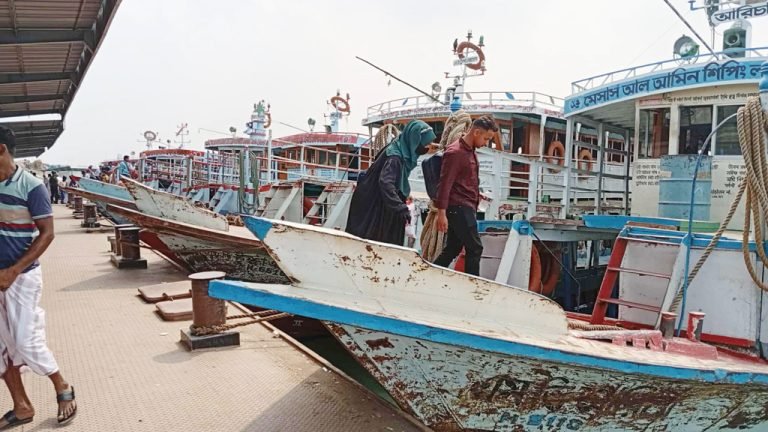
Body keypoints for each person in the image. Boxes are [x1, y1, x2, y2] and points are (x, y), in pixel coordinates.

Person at [0, 126, 77, 428]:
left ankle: (63, 386)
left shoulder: (32, 187)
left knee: (25, 340)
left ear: (1, 149)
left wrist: (13, 271)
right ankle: (22, 407)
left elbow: (47, 234)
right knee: (0, 347)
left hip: (22, 277)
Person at [346, 120, 436, 245]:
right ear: (415, 140)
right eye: (425, 143)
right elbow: (385, 182)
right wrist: (400, 207)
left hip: (377, 202)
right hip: (373, 206)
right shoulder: (395, 157)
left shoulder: (398, 147)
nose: (426, 147)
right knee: (375, 243)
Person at [433, 115, 498, 276]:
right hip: (459, 208)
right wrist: (441, 213)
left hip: (464, 206)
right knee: (475, 248)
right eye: (486, 138)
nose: (486, 143)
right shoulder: (456, 153)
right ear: (476, 132)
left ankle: (429, 274)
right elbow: (445, 183)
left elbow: (460, 181)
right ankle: (472, 286)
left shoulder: (469, 151)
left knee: (453, 248)